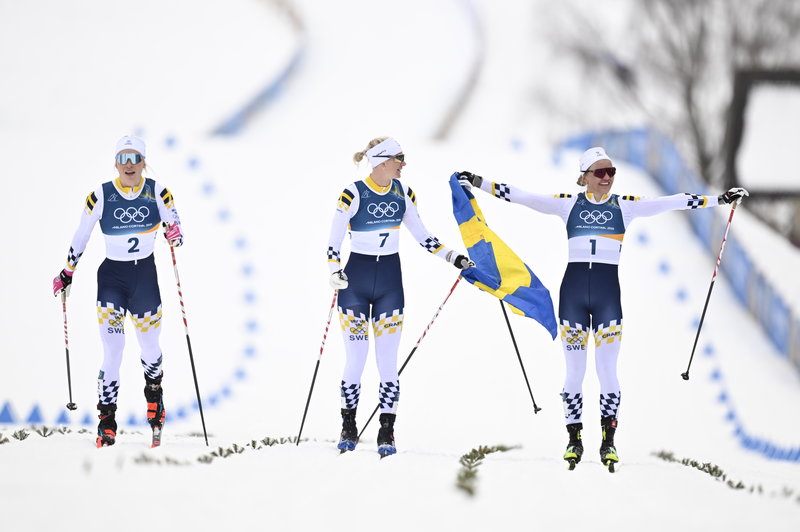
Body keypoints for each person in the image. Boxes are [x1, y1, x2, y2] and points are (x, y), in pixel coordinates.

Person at [458, 147, 748, 470]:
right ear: (584, 177)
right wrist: (478, 182)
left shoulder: (625, 207)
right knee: (575, 373)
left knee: (608, 371)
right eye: (600, 172)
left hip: (609, 298)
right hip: (573, 298)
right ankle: (574, 439)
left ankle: (608, 442)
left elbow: (673, 201)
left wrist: (719, 200)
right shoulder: (568, 203)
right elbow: (523, 196)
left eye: (611, 172)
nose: (607, 178)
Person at [327, 136, 470, 456]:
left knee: (387, 364)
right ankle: (348, 426)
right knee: (356, 360)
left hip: (390, 286)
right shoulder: (352, 193)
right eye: (398, 159)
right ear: (381, 161)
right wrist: (333, 271)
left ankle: (386, 431)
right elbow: (334, 243)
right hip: (355, 285)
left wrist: (454, 258)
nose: (404, 164)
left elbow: (425, 238)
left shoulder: (404, 193)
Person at [52, 135, 184, 448]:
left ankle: (155, 397)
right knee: (113, 350)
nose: (128, 165)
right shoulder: (100, 195)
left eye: (134, 158)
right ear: (115, 162)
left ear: (143, 162)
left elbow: (177, 235)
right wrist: (67, 271)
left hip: (145, 279)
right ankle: (106, 419)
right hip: (112, 278)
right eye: (122, 159)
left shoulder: (159, 193)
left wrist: (175, 234)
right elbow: (81, 234)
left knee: (149, 347)